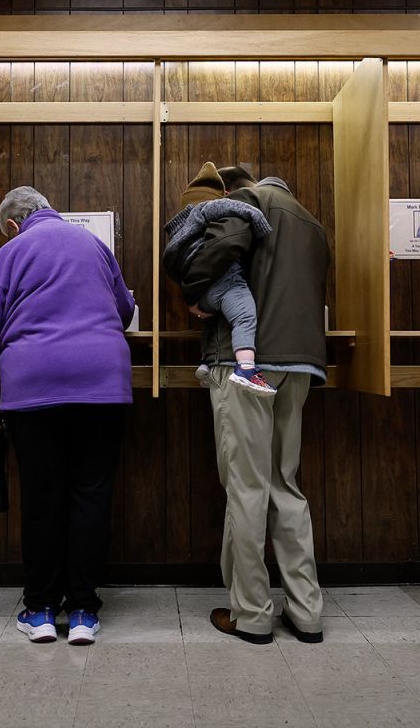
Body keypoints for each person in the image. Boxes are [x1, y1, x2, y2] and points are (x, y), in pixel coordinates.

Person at [0, 186, 135, 646]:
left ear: (13, 225)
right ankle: (82, 611)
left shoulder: (9, 254)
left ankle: (40, 610)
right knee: (90, 493)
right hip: (102, 382)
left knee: (42, 496)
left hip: (35, 385)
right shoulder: (94, 245)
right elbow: (125, 309)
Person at [178, 167, 328, 645]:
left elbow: (218, 250)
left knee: (247, 488)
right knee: (286, 484)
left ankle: (252, 614)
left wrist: (195, 293)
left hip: (246, 364)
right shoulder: (312, 224)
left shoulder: (248, 202)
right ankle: (307, 613)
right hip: (300, 365)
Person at [163, 161, 276, 394]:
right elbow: (223, 208)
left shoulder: (177, 235)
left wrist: (192, 296)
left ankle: (206, 363)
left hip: (202, 296)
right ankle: (246, 368)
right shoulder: (202, 210)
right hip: (226, 282)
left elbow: (173, 268)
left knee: (218, 319)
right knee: (244, 316)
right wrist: (253, 213)